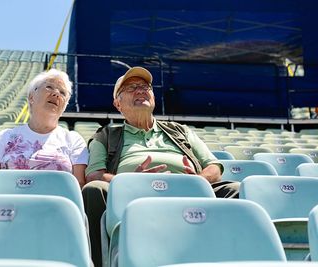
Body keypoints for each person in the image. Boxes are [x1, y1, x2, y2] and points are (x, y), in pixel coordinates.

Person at [83, 66, 240, 267]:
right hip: (131, 194)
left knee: (236, 190)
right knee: (94, 191)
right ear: (118, 103)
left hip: (189, 189)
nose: (140, 90)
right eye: (131, 88)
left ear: (154, 97)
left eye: (145, 86)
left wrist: (197, 181)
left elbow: (214, 167)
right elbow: (95, 176)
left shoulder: (180, 131)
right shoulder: (106, 135)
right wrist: (132, 182)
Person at [0, 69, 88, 187]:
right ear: (32, 97)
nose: (56, 94)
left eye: (63, 93)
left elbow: (78, 185)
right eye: (49, 87)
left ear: (64, 106)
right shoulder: (3, 137)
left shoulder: (74, 140)